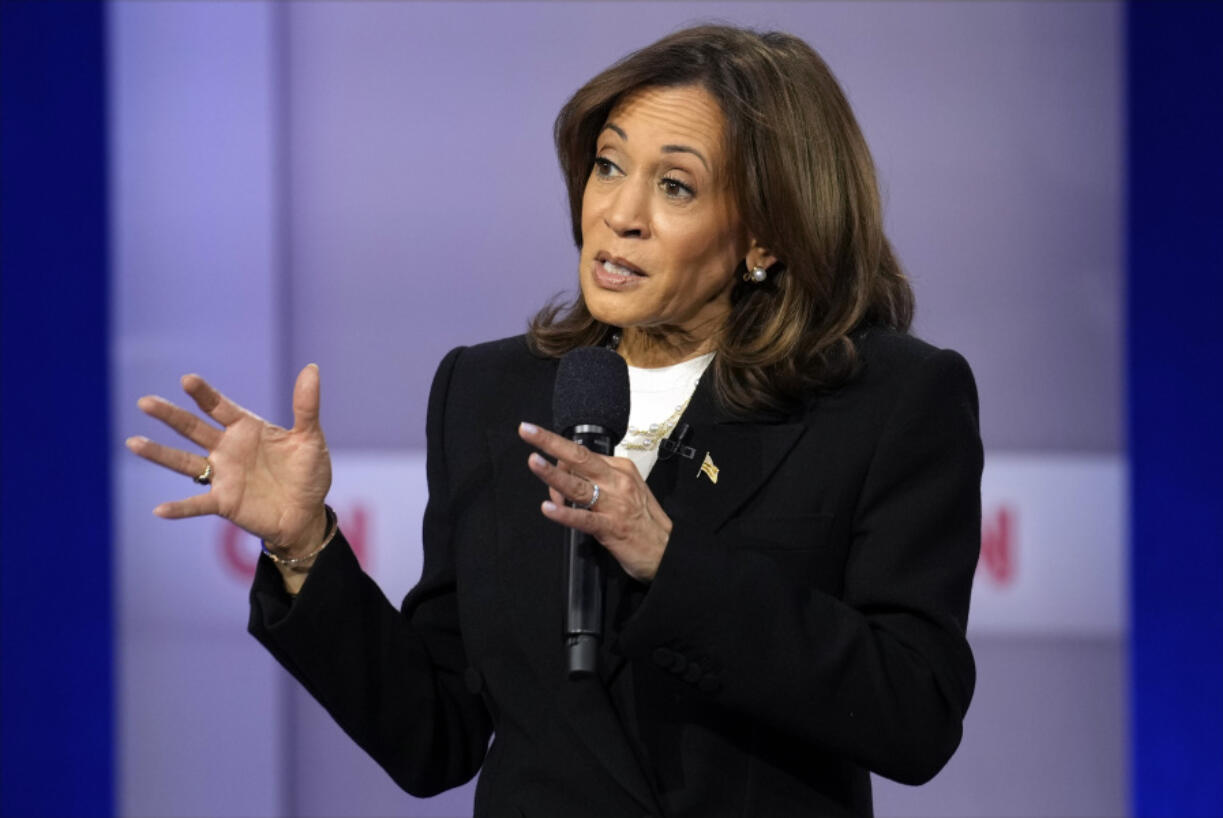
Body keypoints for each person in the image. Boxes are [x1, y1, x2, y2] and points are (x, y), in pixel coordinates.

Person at [128, 24, 982, 818]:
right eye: (610, 166)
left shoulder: (884, 401)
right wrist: (304, 546)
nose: (621, 212)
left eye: (675, 185)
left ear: (764, 236)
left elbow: (915, 713)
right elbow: (436, 735)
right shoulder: (491, 392)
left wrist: (672, 563)